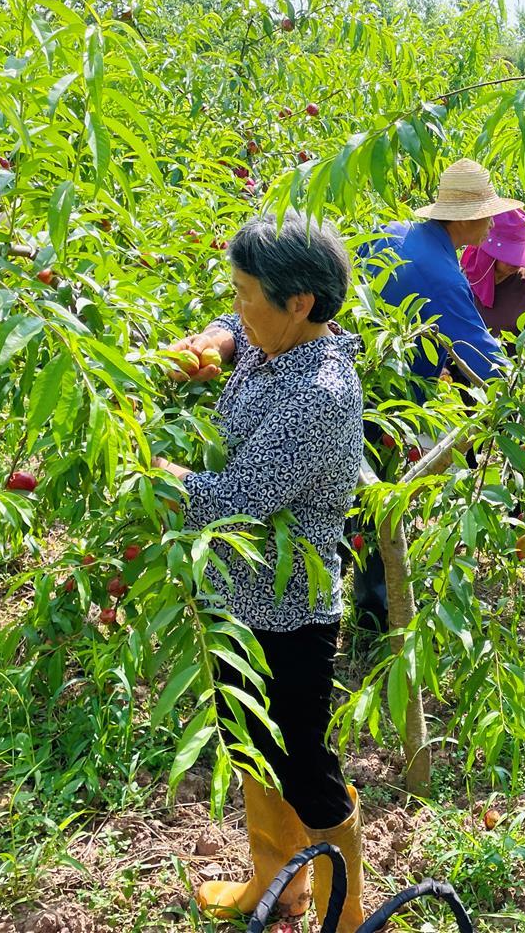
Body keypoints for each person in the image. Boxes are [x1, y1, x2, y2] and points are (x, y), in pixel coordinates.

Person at [155, 213, 367, 931]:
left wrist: (143, 467)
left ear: (300, 301)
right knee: (247, 740)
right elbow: (240, 328)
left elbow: (233, 503)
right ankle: (278, 886)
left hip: (289, 611)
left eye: (247, 294)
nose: (238, 305)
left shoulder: (320, 396)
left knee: (305, 766)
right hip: (233, 596)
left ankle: (349, 912)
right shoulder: (276, 335)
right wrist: (218, 334)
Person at [352, 159, 525, 634]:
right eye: (485, 213)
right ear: (459, 218)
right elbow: (487, 363)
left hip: (357, 377)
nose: (492, 222)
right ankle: (375, 618)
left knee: (353, 499)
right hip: (390, 401)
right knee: (374, 510)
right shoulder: (443, 276)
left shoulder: (390, 233)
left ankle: (360, 602)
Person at [459, 208, 525, 346]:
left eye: (518, 253)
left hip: (519, 367)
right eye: (507, 253)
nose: (515, 261)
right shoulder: (462, 281)